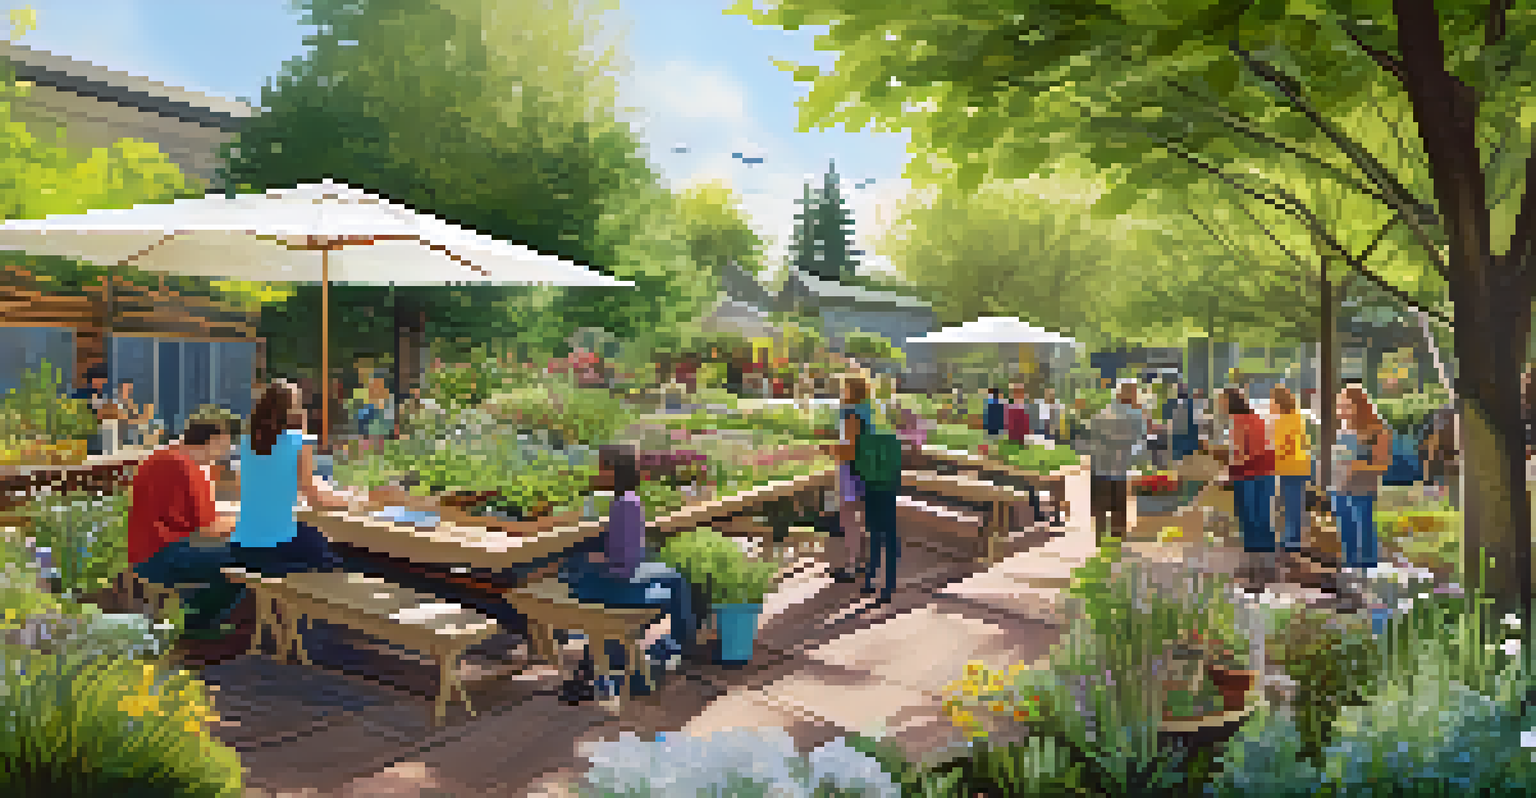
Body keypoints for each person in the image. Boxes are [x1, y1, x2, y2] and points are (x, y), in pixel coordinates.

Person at [559, 445, 697, 702]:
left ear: (612, 471)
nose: (596, 472)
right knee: (675, 583)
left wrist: (594, 559)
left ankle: (670, 650)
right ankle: (677, 648)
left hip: (609, 584)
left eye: (601, 466)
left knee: (672, 581)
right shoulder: (627, 502)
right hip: (612, 585)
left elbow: (623, 567)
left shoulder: (625, 505)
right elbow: (627, 563)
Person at [228, 380, 363, 578]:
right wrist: (353, 501)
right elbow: (315, 498)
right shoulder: (299, 441)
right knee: (347, 566)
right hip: (278, 545)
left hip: (243, 545)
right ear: (292, 410)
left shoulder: (247, 442)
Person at [127, 418, 244, 634]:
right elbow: (208, 528)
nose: (224, 456)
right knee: (250, 559)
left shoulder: (163, 456)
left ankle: (195, 614)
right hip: (164, 556)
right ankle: (197, 620)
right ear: (212, 442)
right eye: (224, 448)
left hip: (144, 553)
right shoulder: (188, 467)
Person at [1330, 384, 1392, 583]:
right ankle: (1349, 572)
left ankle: (1367, 574)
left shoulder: (1377, 430)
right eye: (1341, 406)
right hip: (1339, 488)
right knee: (1345, 530)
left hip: (1361, 489)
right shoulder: (1343, 429)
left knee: (1363, 530)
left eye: (1347, 406)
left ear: (1360, 406)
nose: (1343, 411)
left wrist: (1358, 465)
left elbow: (1383, 464)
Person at [1223, 388, 1277, 590]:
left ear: (1230, 402)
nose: (1220, 405)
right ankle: (1265, 567)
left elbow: (1249, 452)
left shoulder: (1239, 421)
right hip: (1263, 475)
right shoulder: (1256, 418)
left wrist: (1231, 467)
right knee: (1261, 520)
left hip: (1249, 475)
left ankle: (1257, 573)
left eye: (1222, 401)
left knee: (1251, 521)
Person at [1083, 380, 1147, 540]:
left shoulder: (1103, 412)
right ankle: (1116, 546)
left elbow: (1092, 437)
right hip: (1119, 467)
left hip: (1099, 466)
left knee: (1100, 509)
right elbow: (1140, 442)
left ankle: (1099, 541)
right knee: (1118, 509)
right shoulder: (1136, 415)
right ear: (1133, 395)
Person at [826, 376, 872, 585]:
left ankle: (852, 566)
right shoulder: (865, 411)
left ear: (851, 390)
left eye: (844, 388)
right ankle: (861, 563)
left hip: (851, 470)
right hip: (863, 469)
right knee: (858, 517)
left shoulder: (851, 414)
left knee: (848, 518)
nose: (841, 392)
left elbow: (850, 448)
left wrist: (829, 449)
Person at [1270, 386, 1312, 561]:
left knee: (1290, 505)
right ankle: (1292, 540)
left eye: (1272, 400)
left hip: (1289, 467)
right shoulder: (1297, 418)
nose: (1270, 404)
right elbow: (1303, 442)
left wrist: (1271, 458)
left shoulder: (1282, 421)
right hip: (1299, 466)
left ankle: (1292, 543)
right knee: (1294, 505)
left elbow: (1284, 447)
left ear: (1278, 402)